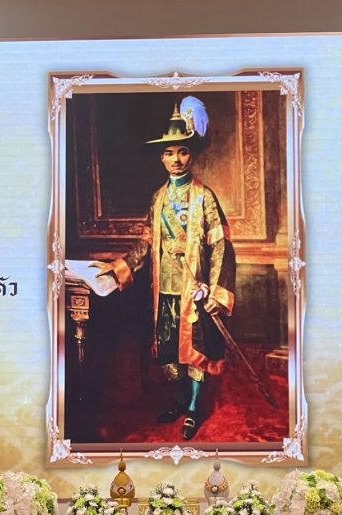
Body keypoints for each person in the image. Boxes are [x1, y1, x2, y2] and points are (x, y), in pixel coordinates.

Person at [92, 96, 236, 441]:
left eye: (182, 152)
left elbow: (221, 246)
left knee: (196, 352)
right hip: (164, 289)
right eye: (169, 153)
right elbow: (145, 244)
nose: (176, 159)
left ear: (192, 155)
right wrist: (117, 267)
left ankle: (194, 409)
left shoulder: (205, 197)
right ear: (161, 158)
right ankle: (180, 399)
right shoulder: (157, 198)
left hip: (194, 291)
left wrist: (214, 290)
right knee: (170, 352)